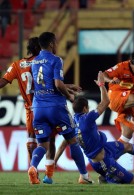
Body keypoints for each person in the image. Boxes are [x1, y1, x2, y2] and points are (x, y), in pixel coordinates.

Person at [54, 71, 134, 184]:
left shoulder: (73, 123)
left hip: (104, 149)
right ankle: (108, 178)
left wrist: (54, 161)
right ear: (85, 108)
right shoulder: (87, 118)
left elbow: (63, 145)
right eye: (88, 107)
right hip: (103, 162)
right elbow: (106, 101)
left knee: (126, 146)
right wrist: (101, 85)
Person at [28, 32, 93, 185]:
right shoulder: (56, 60)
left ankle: (33, 167)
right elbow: (57, 84)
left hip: (38, 107)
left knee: (42, 145)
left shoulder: (35, 62)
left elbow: (44, 84)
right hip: (56, 107)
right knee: (73, 141)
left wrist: (68, 87)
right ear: (51, 43)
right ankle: (84, 176)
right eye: (55, 42)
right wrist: (70, 97)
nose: (57, 45)